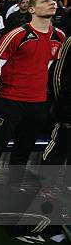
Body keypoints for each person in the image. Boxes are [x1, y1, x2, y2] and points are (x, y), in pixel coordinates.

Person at [0, 0, 66, 241]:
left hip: (38, 103)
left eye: (54, 0)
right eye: (46, 1)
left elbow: (53, 71)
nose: (53, 3)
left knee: (23, 150)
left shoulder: (59, 37)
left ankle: (12, 191)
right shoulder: (18, 34)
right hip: (9, 101)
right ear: (32, 9)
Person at [41, 36, 71, 196]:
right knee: (58, 147)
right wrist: (64, 107)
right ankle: (45, 187)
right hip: (67, 110)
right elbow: (57, 74)